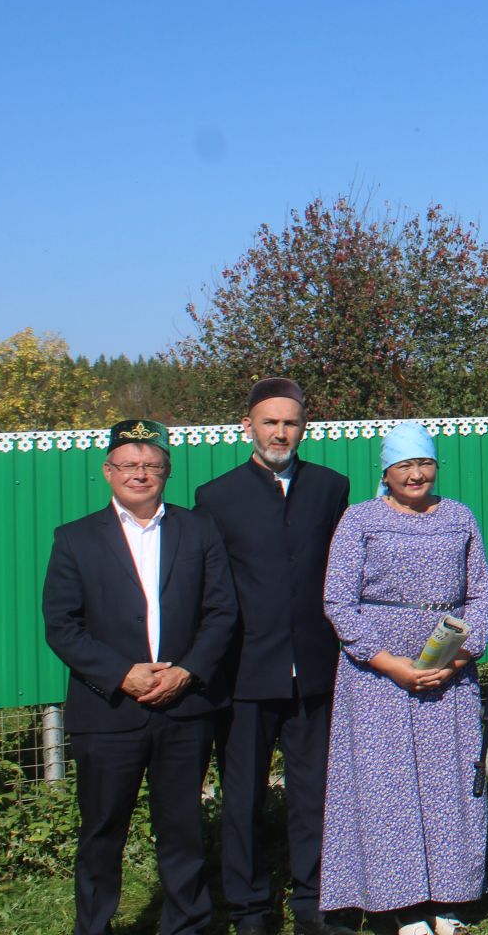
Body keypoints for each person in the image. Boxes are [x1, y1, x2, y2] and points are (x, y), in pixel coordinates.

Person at [42, 419, 238, 935]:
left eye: (151, 465)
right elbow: (62, 625)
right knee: (102, 831)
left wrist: (188, 672)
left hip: (184, 707)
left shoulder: (199, 530)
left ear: (166, 472)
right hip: (108, 712)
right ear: (108, 471)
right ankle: (95, 927)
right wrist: (121, 674)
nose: (140, 474)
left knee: (183, 830)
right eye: (129, 465)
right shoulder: (75, 539)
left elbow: (222, 612)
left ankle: (187, 925)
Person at [194, 377, 353, 935]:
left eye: (290, 422)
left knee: (315, 793)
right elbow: (210, 588)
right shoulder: (216, 497)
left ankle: (317, 901)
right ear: (249, 428)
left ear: (303, 427)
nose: (280, 432)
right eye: (270, 422)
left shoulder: (331, 487)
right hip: (244, 673)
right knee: (241, 800)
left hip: (314, 668)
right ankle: (250, 908)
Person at [319, 423, 488, 935]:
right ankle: (403, 906)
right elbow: (338, 601)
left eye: (425, 465)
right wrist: (389, 662)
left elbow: (480, 595)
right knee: (387, 790)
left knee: (449, 786)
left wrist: (458, 659)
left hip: (448, 678)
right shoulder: (359, 521)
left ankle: (449, 900)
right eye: (404, 467)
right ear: (386, 472)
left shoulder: (459, 517)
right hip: (377, 680)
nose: (416, 475)